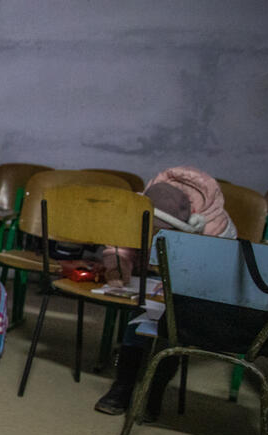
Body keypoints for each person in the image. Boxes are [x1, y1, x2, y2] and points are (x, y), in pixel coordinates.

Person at [94, 166, 236, 416]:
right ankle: (123, 387)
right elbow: (121, 244)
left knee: (175, 326)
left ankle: (155, 389)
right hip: (150, 280)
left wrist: (182, 281)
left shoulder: (215, 225)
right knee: (137, 316)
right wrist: (117, 268)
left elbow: (221, 267)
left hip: (194, 289)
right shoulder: (141, 206)